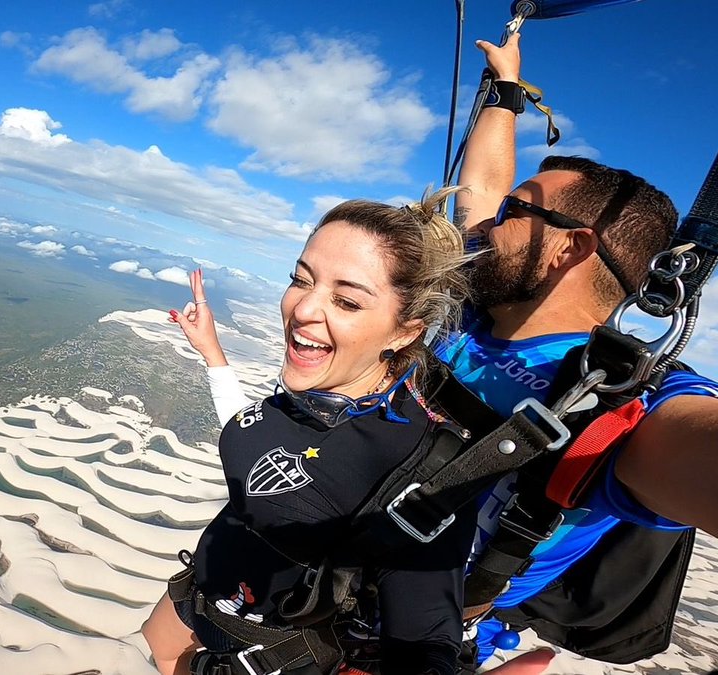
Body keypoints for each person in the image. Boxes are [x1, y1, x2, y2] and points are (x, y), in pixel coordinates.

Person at [171, 31, 718, 674]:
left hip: (389, 634)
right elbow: (479, 187)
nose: (484, 222)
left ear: (569, 249)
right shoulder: (472, 313)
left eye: (517, 213)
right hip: (312, 558)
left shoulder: (616, 404)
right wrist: (508, 93)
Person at [142, 190, 479, 675]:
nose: (303, 310)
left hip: (265, 654)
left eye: (346, 300)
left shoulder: (419, 465)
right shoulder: (310, 394)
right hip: (202, 595)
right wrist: (213, 354)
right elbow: (255, 441)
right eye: (301, 280)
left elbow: (424, 638)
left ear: (405, 331)